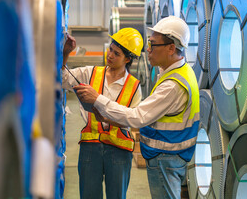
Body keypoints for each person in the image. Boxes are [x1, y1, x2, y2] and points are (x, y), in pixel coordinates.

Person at [74, 16, 200, 199]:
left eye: (153, 45)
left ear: (171, 48)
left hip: (166, 156)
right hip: (171, 156)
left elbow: (137, 117)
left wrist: (97, 99)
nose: (148, 50)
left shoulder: (172, 85)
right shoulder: (180, 72)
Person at [62, 28, 143, 199]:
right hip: (90, 146)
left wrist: (108, 118)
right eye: (110, 49)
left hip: (119, 151)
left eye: (117, 53)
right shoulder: (90, 73)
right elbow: (62, 78)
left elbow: (134, 120)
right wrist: (66, 53)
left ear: (128, 59)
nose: (110, 55)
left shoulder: (134, 86)